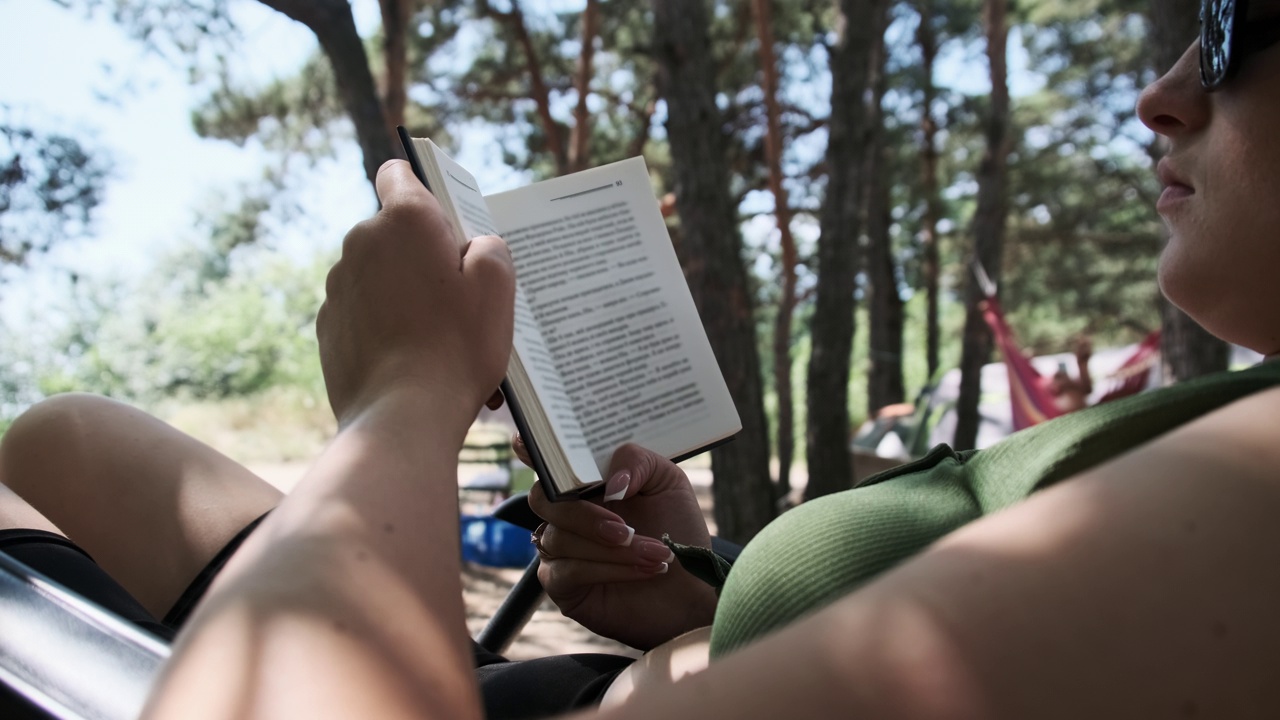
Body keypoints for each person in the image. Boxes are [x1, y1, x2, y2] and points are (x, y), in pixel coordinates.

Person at [2, 0, 1280, 715]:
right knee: (60, 438)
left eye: (1227, 25)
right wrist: (705, 593)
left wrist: (402, 402)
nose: (1160, 93)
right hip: (590, 679)